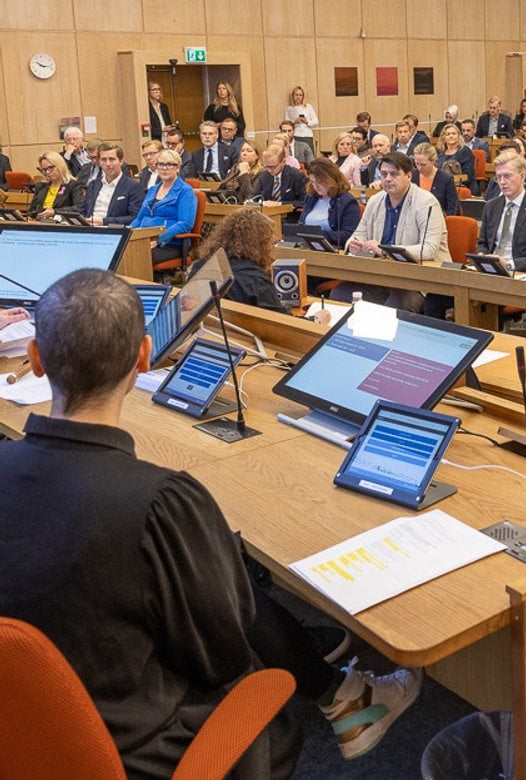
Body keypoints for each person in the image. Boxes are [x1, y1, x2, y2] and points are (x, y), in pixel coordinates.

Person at [0, 268, 423, 774]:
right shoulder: (161, 502)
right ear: (142, 356)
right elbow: (224, 659)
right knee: (233, 579)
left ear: (36, 359)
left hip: (22, 738)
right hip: (143, 750)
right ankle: (344, 695)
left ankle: (330, 674)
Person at [345, 153, 449, 311]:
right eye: (384, 174)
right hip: (383, 276)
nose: (387, 179)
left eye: (394, 174)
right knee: (340, 294)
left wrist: (385, 250)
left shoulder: (427, 202)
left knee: (395, 308)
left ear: (408, 176)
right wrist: (354, 244)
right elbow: (359, 234)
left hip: (420, 281)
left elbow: (428, 249)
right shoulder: (375, 201)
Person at [475, 151, 526, 271]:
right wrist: (482, 256)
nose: (502, 182)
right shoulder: (491, 206)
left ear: (523, 176)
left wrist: (508, 264)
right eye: (498, 177)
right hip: (490, 269)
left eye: (507, 176)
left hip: (518, 272)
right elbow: (483, 244)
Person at [130, 148, 197, 265]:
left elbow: (185, 223)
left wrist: (158, 239)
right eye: (161, 164)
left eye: (170, 164)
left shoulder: (185, 191)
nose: (165, 168)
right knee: (121, 252)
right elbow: (140, 218)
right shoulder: (152, 190)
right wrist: (126, 233)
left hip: (169, 243)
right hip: (145, 239)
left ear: (178, 168)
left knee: (137, 258)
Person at [299, 157, 361, 249]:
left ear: (331, 179)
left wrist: (320, 235)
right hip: (307, 247)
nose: (316, 186)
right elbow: (301, 224)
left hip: (333, 250)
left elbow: (349, 234)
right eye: (312, 182)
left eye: (320, 182)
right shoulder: (311, 197)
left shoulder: (347, 201)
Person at [83, 143, 145, 226]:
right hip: (89, 229)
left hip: (113, 230)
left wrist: (104, 222)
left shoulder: (133, 186)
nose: (108, 164)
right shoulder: (93, 185)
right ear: (99, 162)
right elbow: (83, 210)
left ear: (121, 161)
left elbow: (135, 217)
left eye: (112, 159)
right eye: (104, 160)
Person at [26, 152, 84, 218]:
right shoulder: (41, 186)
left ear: (60, 166)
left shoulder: (73, 185)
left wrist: (55, 212)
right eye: (44, 170)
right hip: (41, 223)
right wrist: (36, 215)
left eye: (51, 168)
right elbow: (32, 211)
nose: (47, 172)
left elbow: (78, 208)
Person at [412, 142, 461, 216]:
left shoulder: (446, 179)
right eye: (417, 163)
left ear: (433, 161)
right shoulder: (412, 176)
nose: (419, 168)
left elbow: (452, 210)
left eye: (423, 164)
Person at [437, 123, 477, 195]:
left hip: (462, 187)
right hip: (442, 186)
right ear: (443, 138)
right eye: (448, 134)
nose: (451, 136)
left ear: (459, 136)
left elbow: (468, 175)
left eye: (454, 133)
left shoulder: (465, 151)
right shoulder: (439, 152)